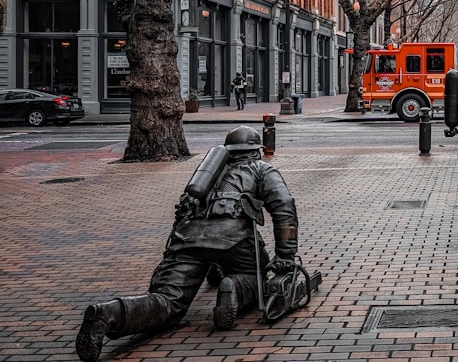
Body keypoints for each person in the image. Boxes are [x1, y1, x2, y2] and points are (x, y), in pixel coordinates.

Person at [76, 126, 300, 362]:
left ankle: (107, 314)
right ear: (256, 151)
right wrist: (285, 256)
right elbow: (284, 208)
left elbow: (183, 210)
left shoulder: (206, 175)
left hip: (187, 240)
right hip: (234, 241)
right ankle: (233, 288)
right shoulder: (261, 169)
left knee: (168, 301)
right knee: (257, 274)